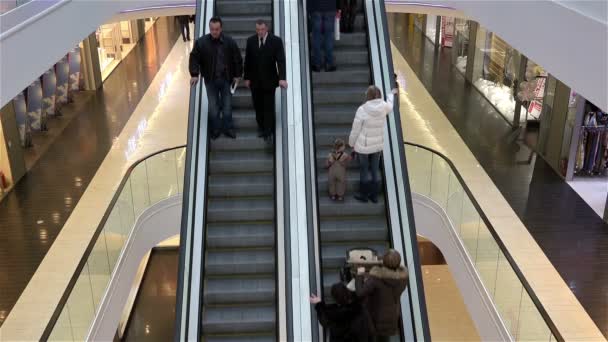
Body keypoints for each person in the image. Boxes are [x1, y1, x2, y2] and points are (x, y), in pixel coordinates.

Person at [189, 17, 243, 139]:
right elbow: (194, 58)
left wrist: (237, 75)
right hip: (210, 80)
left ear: (221, 28)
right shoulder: (201, 42)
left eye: (217, 29)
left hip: (226, 79)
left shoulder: (229, 42)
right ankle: (216, 129)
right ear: (209, 28)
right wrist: (194, 74)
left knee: (227, 106)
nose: (214, 32)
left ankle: (228, 128)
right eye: (212, 29)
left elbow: (237, 59)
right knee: (213, 107)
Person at [348, 86, 397, 203]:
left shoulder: (362, 109)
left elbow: (355, 130)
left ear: (367, 95)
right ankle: (374, 196)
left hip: (363, 146)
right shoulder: (384, 106)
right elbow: (391, 105)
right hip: (377, 145)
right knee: (374, 169)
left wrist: (351, 143)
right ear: (379, 95)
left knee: (364, 169)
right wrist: (391, 94)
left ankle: (364, 195)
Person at [244, 19, 287, 142]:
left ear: (267, 28)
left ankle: (268, 131)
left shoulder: (276, 41)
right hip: (255, 81)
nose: (260, 32)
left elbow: (281, 61)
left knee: (268, 106)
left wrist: (282, 78)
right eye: (258, 30)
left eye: (262, 29)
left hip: (270, 80)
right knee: (257, 106)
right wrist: (246, 77)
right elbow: (248, 60)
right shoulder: (251, 41)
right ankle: (262, 127)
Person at [355, 249, 408, 342]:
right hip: (391, 319)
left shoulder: (376, 279)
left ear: (384, 262)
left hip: (375, 319)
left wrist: (359, 275)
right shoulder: (403, 279)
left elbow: (360, 293)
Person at [309, 0, 337, 72]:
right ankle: (329, 63)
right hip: (330, 7)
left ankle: (317, 63)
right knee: (329, 36)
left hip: (315, 7)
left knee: (316, 36)